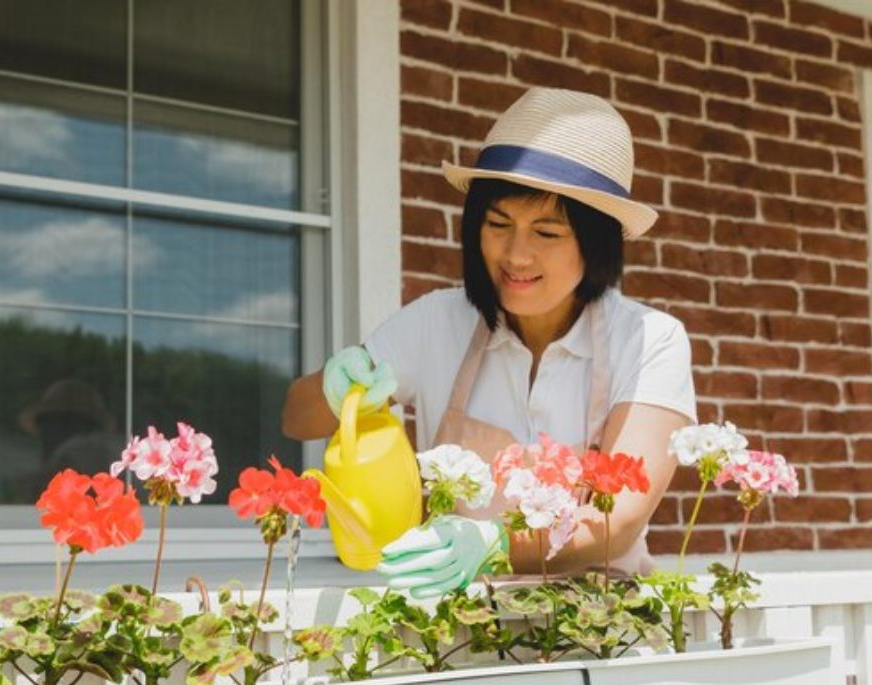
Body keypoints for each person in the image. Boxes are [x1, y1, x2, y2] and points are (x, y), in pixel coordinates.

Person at [281, 87, 696, 595]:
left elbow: (621, 519)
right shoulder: (436, 322)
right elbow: (296, 419)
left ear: (597, 244)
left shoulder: (650, 339)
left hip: (601, 620)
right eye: (498, 224)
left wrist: (493, 542)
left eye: (546, 233)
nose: (516, 255)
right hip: (455, 622)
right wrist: (334, 384)